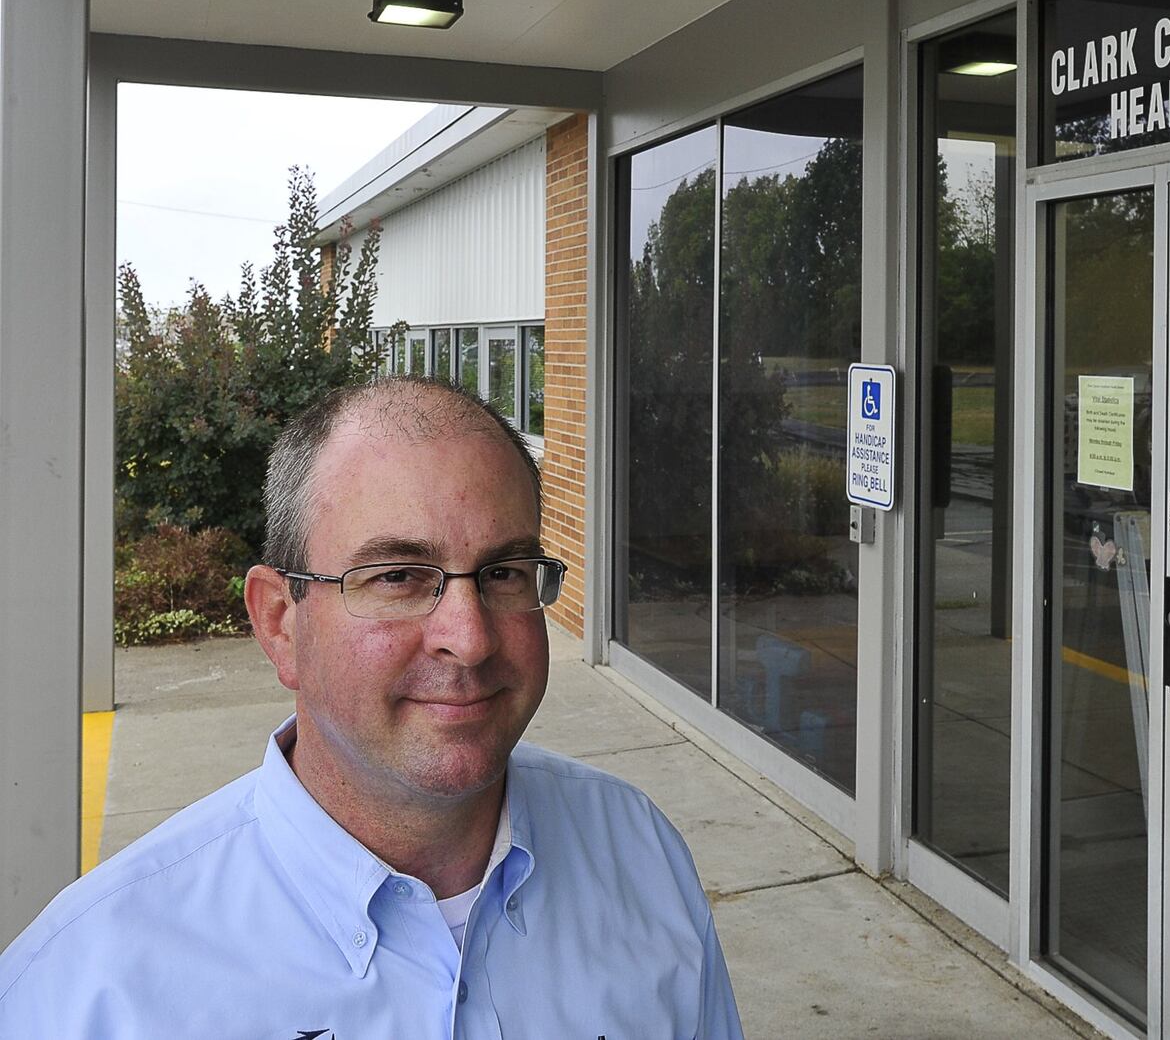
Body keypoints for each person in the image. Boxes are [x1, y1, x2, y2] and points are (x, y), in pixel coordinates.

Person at [0, 377, 743, 1038]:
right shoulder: (89, 991)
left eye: (505, 572)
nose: (470, 636)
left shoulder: (639, 853)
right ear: (279, 622)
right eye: (397, 576)